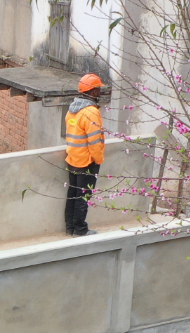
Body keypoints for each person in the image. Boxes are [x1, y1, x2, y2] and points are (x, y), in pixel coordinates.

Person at [64, 73, 105, 237]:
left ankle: (70, 227)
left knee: (73, 195)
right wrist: (98, 159)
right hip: (87, 162)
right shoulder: (91, 112)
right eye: (98, 89)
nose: (100, 92)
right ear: (93, 92)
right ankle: (80, 229)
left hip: (73, 159)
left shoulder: (72, 110)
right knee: (83, 197)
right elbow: (94, 141)